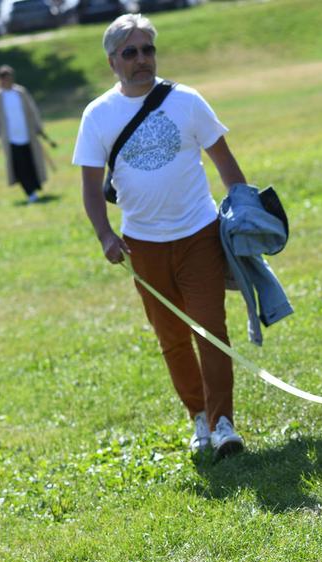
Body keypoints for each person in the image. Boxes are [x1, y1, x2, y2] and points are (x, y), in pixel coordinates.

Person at [72, 13, 247, 460]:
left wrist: (244, 211)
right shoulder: (98, 114)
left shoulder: (186, 100)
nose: (141, 59)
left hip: (199, 234)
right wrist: (104, 235)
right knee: (172, 338)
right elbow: (90, 188)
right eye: (130, 52)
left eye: (147, 49)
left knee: (211, 329)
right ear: (113, 61)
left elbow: (225, 163)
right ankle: (199, 417)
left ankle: (223, 423)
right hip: (142, 246)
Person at [0, 65, 50, 203]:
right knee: (19, 166)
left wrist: (38, 128)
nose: (8, 81)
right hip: (10, 139)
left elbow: (32, 110)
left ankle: (35, 187)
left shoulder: (21, 92)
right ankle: (29, 192)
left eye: (10, 78)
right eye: (5, 79)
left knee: (31, 163)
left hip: (27, 135)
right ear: (0, 80)